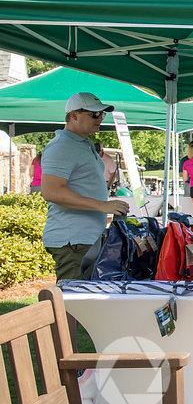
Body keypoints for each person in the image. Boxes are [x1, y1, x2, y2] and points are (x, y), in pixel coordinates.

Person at [41, 93, 130, 281]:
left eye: (102, 115)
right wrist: (101, 206)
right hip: (72, 241)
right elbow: (51, 191)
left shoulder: (83, 143)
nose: (100, 119)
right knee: (74, 304)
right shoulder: (61, 146)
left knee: (88, 302)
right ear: (74, 115)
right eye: (94, 114)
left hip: (85, 240)